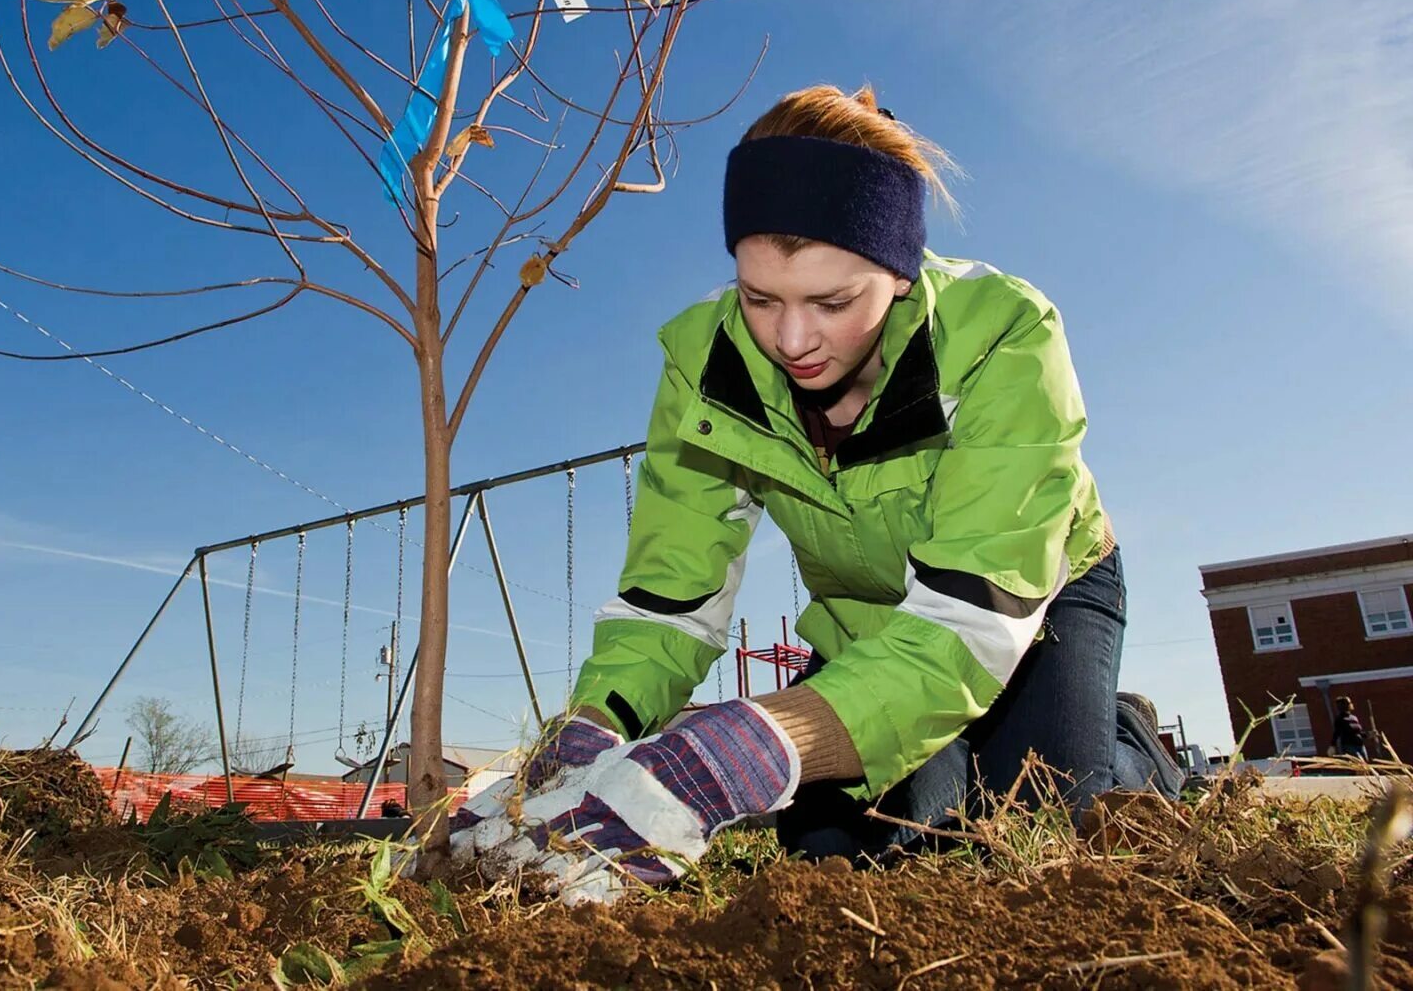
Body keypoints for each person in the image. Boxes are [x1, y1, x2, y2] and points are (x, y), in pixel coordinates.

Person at [451, 85, 1183, 901]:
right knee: (834, 855)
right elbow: (671, 593)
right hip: (864, 614)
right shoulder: (708, 364)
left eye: (832, 302)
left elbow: (973, 615)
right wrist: (591, 729)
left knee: (1041, 820)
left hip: (1032, 593)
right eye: (760, 298)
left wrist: (758, 744)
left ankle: (1127, 747)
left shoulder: (1003, 336)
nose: (791, 339)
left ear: (899, 276)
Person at [1329, 696, 1368, 760]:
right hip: (1349, 746)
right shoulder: (1340, 719)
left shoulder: (1354, 717)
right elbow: (1336, 733)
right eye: (1350, 703)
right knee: (1360, 763)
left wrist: (1369, 734)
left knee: (1366, 763)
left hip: (1360, 745)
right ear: (1345, 705)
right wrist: (1332, 746)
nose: (1352, 704)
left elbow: (1359, 733)